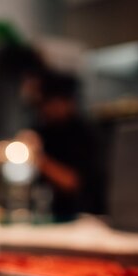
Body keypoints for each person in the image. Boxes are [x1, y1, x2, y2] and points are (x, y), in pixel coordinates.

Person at [20, 69, 102, 220]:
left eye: (48, 102)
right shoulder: (42, 130)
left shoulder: (83, 133)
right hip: (42, 214)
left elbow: (74, 183)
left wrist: (38, 160)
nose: (45, 109)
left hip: (78, 217)